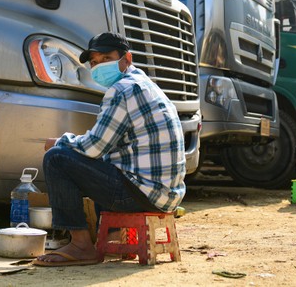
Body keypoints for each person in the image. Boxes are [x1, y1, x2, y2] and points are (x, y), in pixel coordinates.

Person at [33, 32, 186, 267]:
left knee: (57, 158)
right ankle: (114, 237)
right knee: (107, 162)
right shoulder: (147, 86)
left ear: (126, 59)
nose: (98, 66)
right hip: (166, 196)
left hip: (143, 194)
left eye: (106, 59)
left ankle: (81, 245)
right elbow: (105, 147)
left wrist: (60, 141)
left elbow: (94, 147)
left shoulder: (123, 89)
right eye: (94, 63)